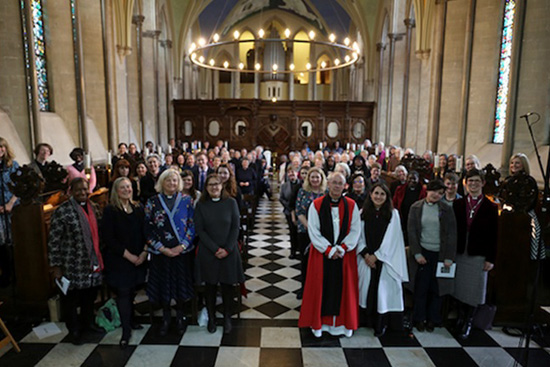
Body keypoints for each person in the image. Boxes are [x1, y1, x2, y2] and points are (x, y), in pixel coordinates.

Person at [298, 172, 361, 338]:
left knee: (345, 290)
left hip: (344, 256)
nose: (337, 186)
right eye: (334, 183)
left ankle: (344, 325)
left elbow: (355, 230)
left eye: (340, 183)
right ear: (328, 184)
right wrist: (329, 250)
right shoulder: (317, 205)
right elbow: (313, 230)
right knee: (320, 288)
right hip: (321, 255)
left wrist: (342, 248)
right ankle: (319, 325)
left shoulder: (352, 205)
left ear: (345, 186)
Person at [48, 178, 104, 344]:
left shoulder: (94, 207)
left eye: (85, 190)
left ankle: (88, 323)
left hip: (92, 261)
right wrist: (56, 267)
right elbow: (53, 241)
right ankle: (74, 330)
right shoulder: (62, 211)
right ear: (71, 191)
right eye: (78, 190)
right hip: (71, 263)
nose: (82, 193)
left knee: (89, 296)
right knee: (71, 299)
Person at [144, 169, 195, 336]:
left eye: (175, 180)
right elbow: (147, 228)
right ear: (162, 182)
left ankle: (180, 316)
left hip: (182, 252)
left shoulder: (188, 201)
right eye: (168, 180)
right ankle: (166, 317)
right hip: (161, 253)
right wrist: (162, 248)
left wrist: (182, 246)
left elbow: (192, 225)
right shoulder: (152, 202)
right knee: (163, 286)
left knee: (180, 285)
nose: (172, 183)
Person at [101, 177, 147, 348]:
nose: (127, 190)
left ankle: (132, 320)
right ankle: (126, 330)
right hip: (120, 259)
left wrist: (143, 253)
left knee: (133, 290)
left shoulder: (138, 208)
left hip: (138, 257)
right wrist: (129, 256)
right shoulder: (111, 211)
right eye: (122, 187)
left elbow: (146, 232)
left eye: (129, 186)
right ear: (116, 190)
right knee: (123, 293)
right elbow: (109, 238)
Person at [357, 183, 408, 337]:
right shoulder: (362, 213)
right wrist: (365, 254)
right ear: (370, 195)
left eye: (382, 194)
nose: (378, 197)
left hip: (385, 260)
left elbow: (392, 239)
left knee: (383, 293)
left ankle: (381, 324)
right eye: (376, 193)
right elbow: (357, 235)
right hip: (366, 259)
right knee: (365, 289)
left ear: (387, 197)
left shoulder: (393, 214)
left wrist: (377, 256)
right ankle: (366, 321)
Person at [195, 174, 244, 334]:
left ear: (222, 186)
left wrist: (227, 249)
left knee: (227, 286)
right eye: (210, 185)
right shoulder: (201, 205)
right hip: (208, 252)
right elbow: (200, 230)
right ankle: (211, 318)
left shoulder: (231, 203)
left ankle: (227, 318)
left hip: (229, 251)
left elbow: (235, 227)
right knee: (210, 287)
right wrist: (215, 249)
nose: (214, 187)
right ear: (206, 188)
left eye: (217, 184)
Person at [452, 169, 498, 339]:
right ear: (465, 183)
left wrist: (491, 259)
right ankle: (460, 316)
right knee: (459, 287)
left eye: (477, 181)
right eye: (470, 181)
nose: (473, 184)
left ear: (483, 183)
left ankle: (468, 321)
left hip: (478, 252)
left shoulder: (490, 207)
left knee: (474, 289)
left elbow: (494, 235)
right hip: (460, 251)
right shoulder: (458, 203)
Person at [408, 180, 457, 332]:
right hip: (423, 252)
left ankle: (433, 319)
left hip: (440, 254)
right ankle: (419, 318)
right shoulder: (416, 207)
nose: (436, 195)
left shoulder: (446, 209)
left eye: (440, 193)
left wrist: (449, 257)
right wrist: (417, 253)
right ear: (427, 191)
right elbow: (412, 232)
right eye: (433, 191)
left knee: (437, 289)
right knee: (421, 287)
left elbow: (451, 234)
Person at [295, 167, 326, 299]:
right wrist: (309, 227)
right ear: (308, 179)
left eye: (317, 177)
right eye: (312, 177)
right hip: (305, 230)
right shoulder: (303, 192)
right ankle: (304, 288)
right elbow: (299, 211)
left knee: (321, 262)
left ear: (321, 179)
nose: (314, 180)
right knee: (305, 260)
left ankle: (319, 289)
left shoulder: (326, 192)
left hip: (323, 232)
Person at [0, 138, 20, 286]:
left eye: (2, 147)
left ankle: (17, 275)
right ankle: (6, 275)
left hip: (13, 209)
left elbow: (20, 187)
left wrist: (10, 203)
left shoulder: (12, 165)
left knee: (14, 242)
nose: (0, 149)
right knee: (2, 245)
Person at [393, 171, 426, 244]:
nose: (412, 181)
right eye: (410, 178)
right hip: (403, 218)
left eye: (414, 179)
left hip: (417, 219)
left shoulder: (423, 191)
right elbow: (394, 203)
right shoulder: (400, 189)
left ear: (418, 179)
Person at [280, 167, 301, 259]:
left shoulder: (301, 184)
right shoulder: (284, 186)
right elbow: (281, 198)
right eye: (289, 172)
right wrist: (289, 206)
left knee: (300, 233)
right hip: (289, 211)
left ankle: (300, 250)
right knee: (292, 231)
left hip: (301, 212)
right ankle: (293, 251)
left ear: (297, 173)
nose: (291, 174)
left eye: (293, 172)